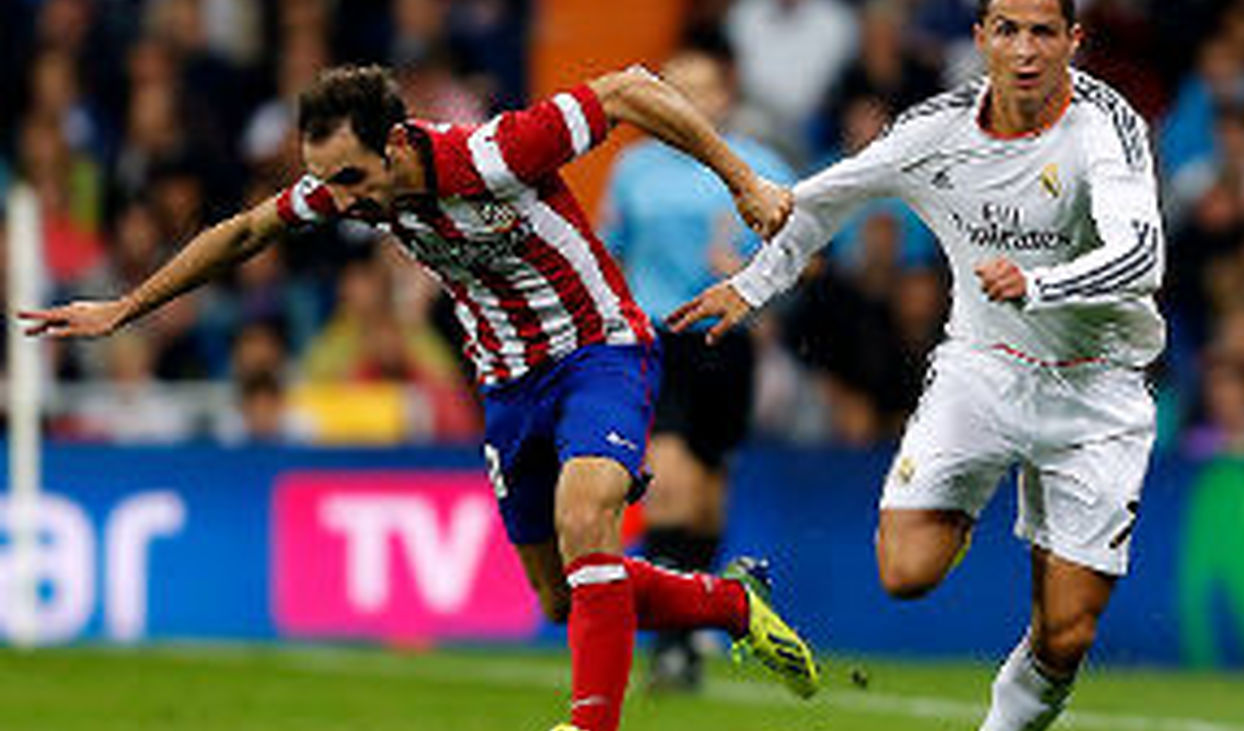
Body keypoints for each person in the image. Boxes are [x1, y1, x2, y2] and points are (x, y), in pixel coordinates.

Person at [21, 63, 818, 731]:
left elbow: (631, 88)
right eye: (327, 179)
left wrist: (743, 179)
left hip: (597, 350)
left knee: (588, 518)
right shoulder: (341, 189)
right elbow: (243, 231)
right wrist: (125, 307)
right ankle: (727, 601)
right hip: (506, 383)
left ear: (396, 144)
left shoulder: (496, 150)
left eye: (352, 178)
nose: (341, 198)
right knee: (561, 594)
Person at [671, 1, 1164, 729]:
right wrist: (752, 284)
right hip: (983, 368)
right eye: (1008, 30)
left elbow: (1143, 255)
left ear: (1073, 41)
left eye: (1043, 32)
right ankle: (976, 492)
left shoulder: (1102, 126)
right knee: (905, 572)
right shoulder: (935, 130)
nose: (1025, 49)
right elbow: (825, 199)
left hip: (1098, 385)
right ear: (981, 39)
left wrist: (1038, 285)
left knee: (1066, 634)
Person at [601, 38, 794, 691]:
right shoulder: (634, 170)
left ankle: (688, 627)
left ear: (724, 95)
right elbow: (610, 252)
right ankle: (671, 642)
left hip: (727, 341)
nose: (686, 100)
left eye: (699, 87)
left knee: (709, 494)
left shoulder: (758, 165)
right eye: (672, 87)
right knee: (673, 478)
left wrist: (749, 273)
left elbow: (803, 256)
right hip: (660, 337)